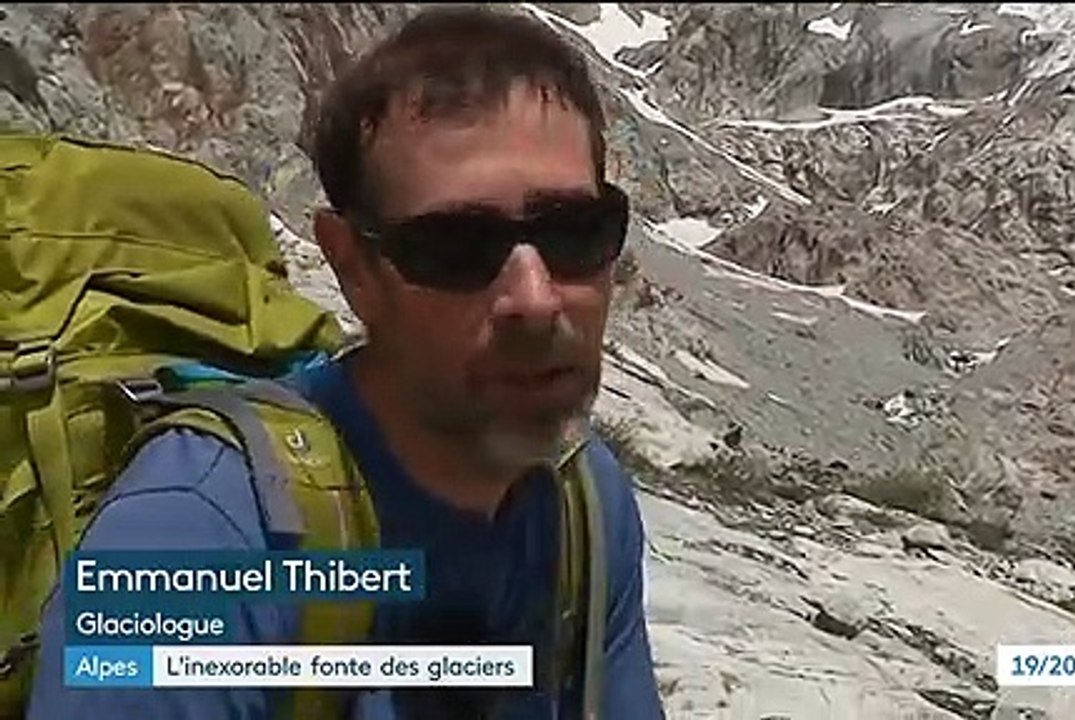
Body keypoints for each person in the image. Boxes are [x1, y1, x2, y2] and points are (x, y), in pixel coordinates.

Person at [25, 6, 664, 719]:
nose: (535, 299)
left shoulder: (585, 503)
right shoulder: (195, 536)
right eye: (455, 248)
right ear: (353, 266)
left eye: (574, 231)